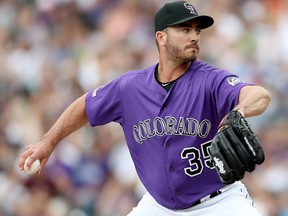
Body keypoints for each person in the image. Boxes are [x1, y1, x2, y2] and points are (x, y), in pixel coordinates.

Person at [19, 1, 271, 216]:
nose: (194, 36)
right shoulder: (129, 87)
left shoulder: (210, 80)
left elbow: (259, 95)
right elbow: (85, 106)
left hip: (219, 202)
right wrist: (48, 142)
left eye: (197, 30)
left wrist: (238, 112)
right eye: (185, 29)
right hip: (159, 206)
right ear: (161, 37)